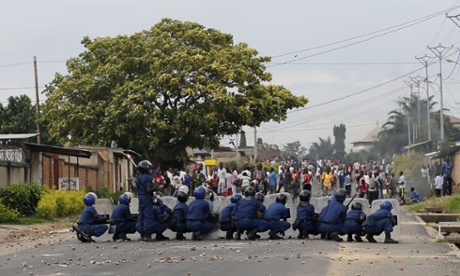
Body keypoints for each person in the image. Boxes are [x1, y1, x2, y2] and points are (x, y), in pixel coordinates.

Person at [135, 160, 156, 241]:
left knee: (141, 215)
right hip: (147, 197)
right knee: (148, 215)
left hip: (140, 197)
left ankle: (141, 233)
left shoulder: (138, 178)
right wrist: (156, 187)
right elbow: (148, 190)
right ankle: (147, 234)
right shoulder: (147, 178)